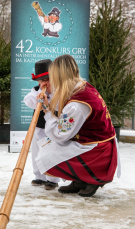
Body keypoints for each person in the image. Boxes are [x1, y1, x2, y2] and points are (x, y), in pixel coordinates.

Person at [36, 54, 121, 197]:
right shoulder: (81, 88)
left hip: (97, 149)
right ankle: (80, 179)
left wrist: (47, 111)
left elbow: (59, 134)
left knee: (48, 153)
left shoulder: (78, 103)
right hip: (93, 141)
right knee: (48, 146)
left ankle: (91, 178)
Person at [23, 59, 61, 190]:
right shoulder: (36, 90)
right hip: (39, 125)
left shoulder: (59, 90)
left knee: (51, 151)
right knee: (37, 151)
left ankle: (53, 179)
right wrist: (38, 97)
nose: (46, 82)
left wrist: (48, 101)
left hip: (54, 125)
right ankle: (39, 176)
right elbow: (28, 100)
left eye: (48, 79)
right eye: (42, 80)